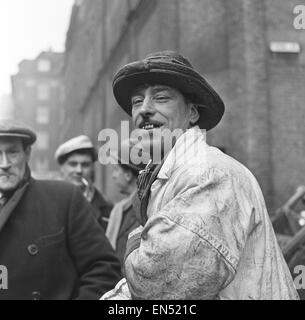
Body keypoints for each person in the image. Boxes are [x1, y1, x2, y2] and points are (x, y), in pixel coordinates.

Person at [101, 50, 298, 300]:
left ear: (192, 113)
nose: (145, 110)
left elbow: (155, 285)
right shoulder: (167, 176)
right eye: (137, 102)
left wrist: (136, 239)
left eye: (161, 98)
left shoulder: (209, 174)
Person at [0, 119, 121, 300]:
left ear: (27, 153)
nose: (4, 163)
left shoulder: (63, 198)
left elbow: (104, 268)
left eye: (13, 152)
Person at [55, 135, 112, 230]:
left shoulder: (107, 208)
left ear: (92, 168)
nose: (79, 170)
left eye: (85, 165)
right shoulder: (48, 203)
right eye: (73, 164)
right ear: (62, 168)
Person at [105, 139, 147, 269]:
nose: (113, 176)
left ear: (128, 175)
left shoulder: (140, 210)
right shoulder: (123, 209)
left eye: (116, 170)